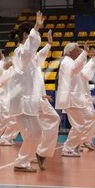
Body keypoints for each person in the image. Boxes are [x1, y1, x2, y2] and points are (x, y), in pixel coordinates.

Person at [8, 12, 45, 172]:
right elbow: (29, 49)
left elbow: (35, 56)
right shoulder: (21, 52)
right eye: (31, 33)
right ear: (26, 34)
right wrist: (36, 28)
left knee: (34, 132)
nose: (36, 35)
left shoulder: (27, 55)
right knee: (34, 132)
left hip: (26, 99)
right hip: (22, 100)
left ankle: (25, 159)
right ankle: (22, 161)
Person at [55, 41, 95, 157]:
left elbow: (79, 68)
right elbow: (75, 68)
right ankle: (68, 148)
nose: (80, 51)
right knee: (79, 124)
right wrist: (85, 53)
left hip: (73, 98)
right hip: (70, 98)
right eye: (78, 49)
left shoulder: (70, 61)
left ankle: (73, 145)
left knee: (80, 124)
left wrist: (87, 56)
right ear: (71, 51)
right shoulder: (66, 62)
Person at [31, 30, 60, 169]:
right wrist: (39, 95)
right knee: (52, 120)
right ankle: (38, 153)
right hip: (34, 99)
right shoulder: (25, 62)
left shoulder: (35, 62)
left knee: (39, 127)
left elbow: (41, 54)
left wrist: (49, 43)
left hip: (39, 98)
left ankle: (36, 153)